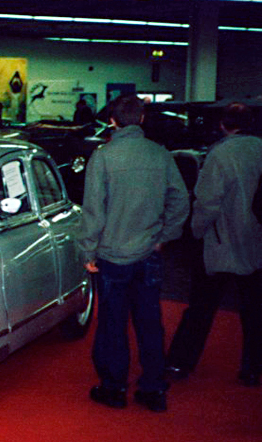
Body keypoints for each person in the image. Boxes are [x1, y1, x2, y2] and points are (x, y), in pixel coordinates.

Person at [78, 94, 189, 412]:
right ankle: (153, 389)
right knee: (150, 322)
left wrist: (88, 251)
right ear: (141, 119)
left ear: (112, 120)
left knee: (112, 323)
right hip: (148, 253)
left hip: (112, 256)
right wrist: (164, 236)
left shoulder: (103, 157)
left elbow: (94, 210)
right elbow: (180, 200)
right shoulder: (160, 154)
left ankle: (113, 388)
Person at [165, 102, 262, 387]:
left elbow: (208, 202)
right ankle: (252, 368)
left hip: (220, 241)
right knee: (254, 309)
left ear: (222, 124)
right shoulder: (259, 148)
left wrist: (196, 231)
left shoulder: (220, 154)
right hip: (255, 240)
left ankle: (181, 362)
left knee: (201, 306)